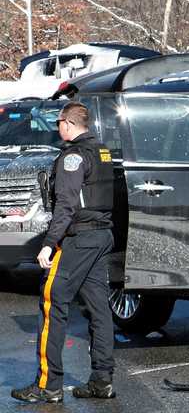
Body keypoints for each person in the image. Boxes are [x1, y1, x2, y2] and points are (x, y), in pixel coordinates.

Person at [11, 102, 117, 404]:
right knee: (99, 309)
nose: (57, 128)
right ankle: (101, 380)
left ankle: (48, 384)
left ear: (68, 124)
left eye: (58, 122)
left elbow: (66, 206)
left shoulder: (73, 157)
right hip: (101, 236)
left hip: (79, 239)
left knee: (52, 300)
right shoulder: (103, 151)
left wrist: (49, 242)